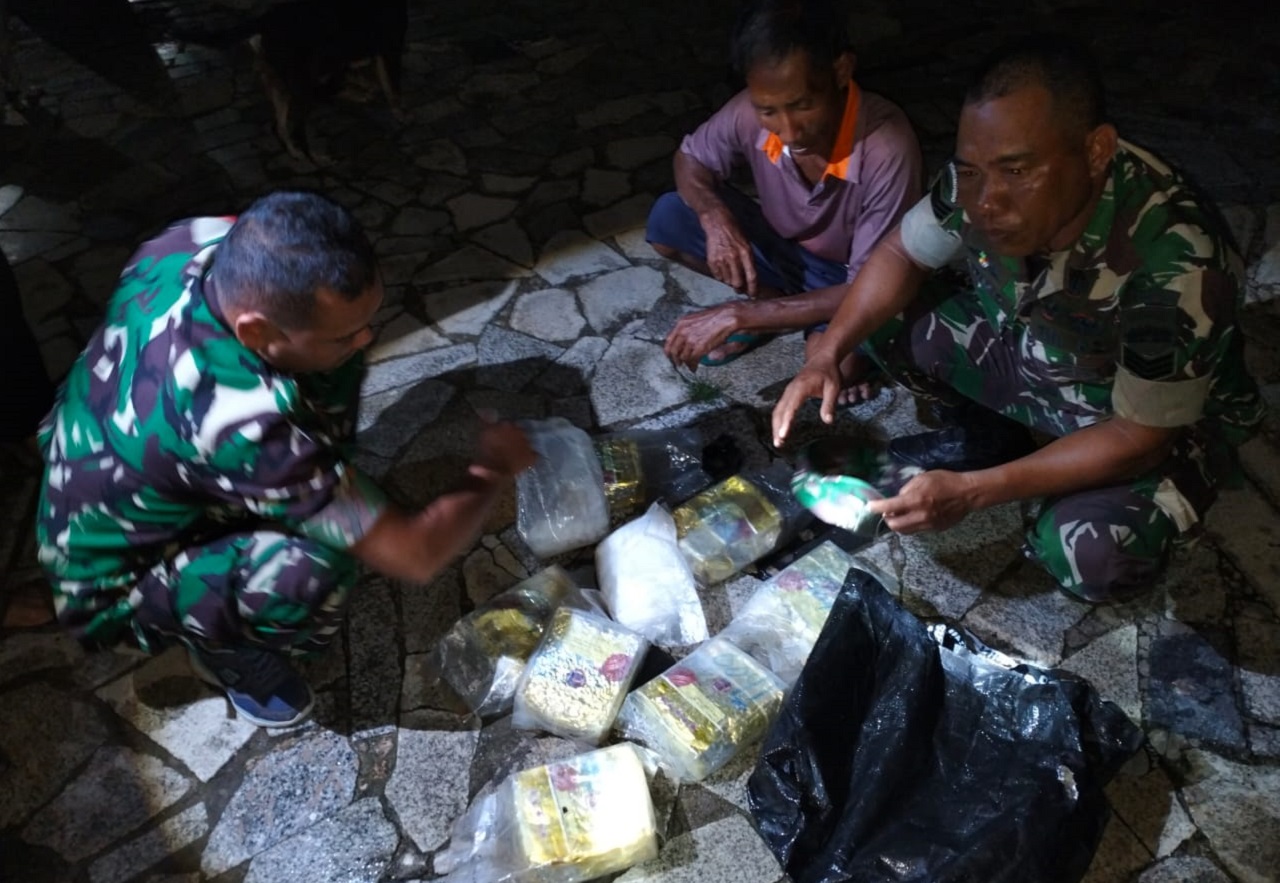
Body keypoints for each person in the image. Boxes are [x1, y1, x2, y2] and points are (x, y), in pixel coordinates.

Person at [772, 35, 1264, 603]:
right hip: (1045, 353)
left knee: (1094, 556)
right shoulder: (977, 179)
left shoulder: (1177, 259)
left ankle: (1043, 474)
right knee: (877, 317)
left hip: (1137, 418)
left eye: (1017, 170)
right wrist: (828, 352)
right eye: (972, 170)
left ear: (1096, 150)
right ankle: (993, 439)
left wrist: (974, 492)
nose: (986, 202)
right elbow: (900, 254)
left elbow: (1139, 436)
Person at [36, 191, 536, 727]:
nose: (368, 337)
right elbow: (415, 554)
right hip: (113, 586)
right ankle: (226, 651)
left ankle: (302, 484)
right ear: (255, 330)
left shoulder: (190, 240)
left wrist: (333, 359)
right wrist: (491, 469)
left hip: (112, 462)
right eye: (345, 332)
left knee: (331, 366)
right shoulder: (241, 422)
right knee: (316, 564)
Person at [646, 0, 921, 403]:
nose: (789, 131)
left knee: (834, 373)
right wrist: (715, 217)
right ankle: (778, 307)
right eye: (769, 111)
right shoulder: (747, 111)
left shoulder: (886, 146)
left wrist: (741, 315)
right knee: (669, 219)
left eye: (803, 105)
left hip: (852, 279)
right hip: (788, 251)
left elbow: (872, 284)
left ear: (841, 71)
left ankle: (786, 320)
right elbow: (690, 159)